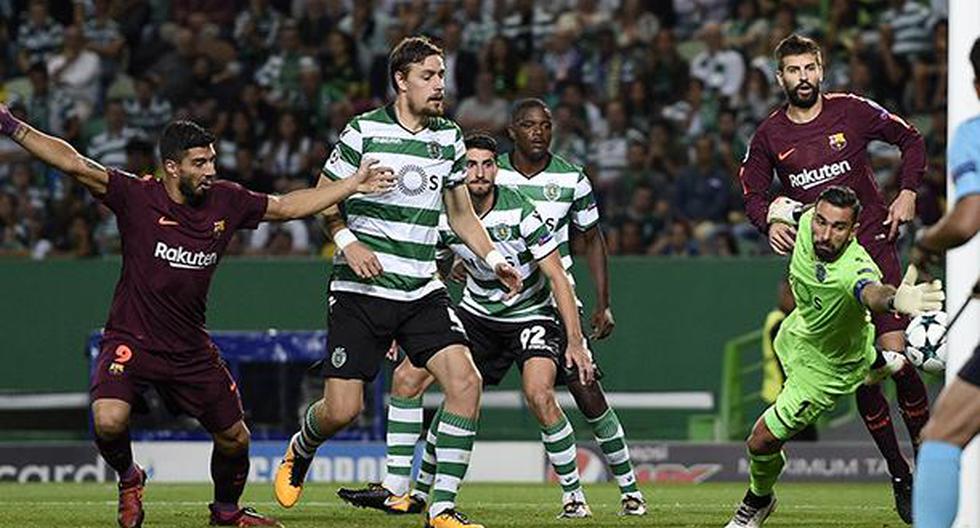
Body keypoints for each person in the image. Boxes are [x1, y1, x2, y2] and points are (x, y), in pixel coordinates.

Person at [0, 104, 394, 528]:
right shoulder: (136, 197)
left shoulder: (227, 200)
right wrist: (8, 124)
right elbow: (74, 163)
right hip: (132, 338)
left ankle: (227, 513)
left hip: (189, 348)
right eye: (199, 162)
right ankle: (130, 478)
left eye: (212, 160)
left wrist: (352, 184)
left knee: (235, 438)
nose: (210, 170)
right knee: (108, 420)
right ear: (171, 167)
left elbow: (287, 207)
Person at [272, 37, 521, 528]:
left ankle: (443, 509)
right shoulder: (363, 131)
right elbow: (323, 198)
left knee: (465, 382)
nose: (439, 86)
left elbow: (461, 214)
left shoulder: (449, 138)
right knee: (342, 410)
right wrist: (349, 243)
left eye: (442, 76)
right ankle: (301, 447)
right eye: (429, 76)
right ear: (401, 80)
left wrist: (493, 258)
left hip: (420, 290)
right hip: (359, 292)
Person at [336, 133, 601, 518]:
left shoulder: (524, 212)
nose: (479, 172)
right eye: (471, 164)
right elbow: (428, 267)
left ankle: (574, 497)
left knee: (539, 394)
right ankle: (401, 489)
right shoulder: (444, 217)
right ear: (460, 171)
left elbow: (558, 277)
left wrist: (575, 342)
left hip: (530, 314)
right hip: (477, 315)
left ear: (498, 169)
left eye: (487, 164)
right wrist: (403, 322)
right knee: (408, 377)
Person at [739, 34, 929, 523]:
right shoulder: (768, 136)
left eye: (809, 68)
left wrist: (907, 192)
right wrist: (771, 221)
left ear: (821, 70)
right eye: (792, 70)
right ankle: (899, 472)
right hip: (826, 272)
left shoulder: (852, 111)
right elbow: (753, 192)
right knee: (866, 374)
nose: (802, 78)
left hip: (874, 249)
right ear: (779, 77)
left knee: (895, 362)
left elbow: (911, 139)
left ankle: (929, 459)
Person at [724, 186, 944, 528]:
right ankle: (880, 361)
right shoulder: (809, 219)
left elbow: (872, 292)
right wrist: (774, 221)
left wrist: (895, 301)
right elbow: (781, 206)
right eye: (822, 222)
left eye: (838, 227)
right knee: (864, 356)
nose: (825, 234)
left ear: (853, 231)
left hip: (826, 370)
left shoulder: (855, 268)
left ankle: (758, 499)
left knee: (761, 441)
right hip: (797, 334)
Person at [495, 98, 647, 514]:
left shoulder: (570, 178)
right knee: (458, 389)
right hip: (492, 307)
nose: (539, 132)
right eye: (529, 125)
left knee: (586, 392)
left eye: (545, 125)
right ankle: (416, 490)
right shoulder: (491, 173)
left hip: (551, 305)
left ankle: (631, 490)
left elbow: (591, 238)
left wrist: (603, 302)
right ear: (512, 130)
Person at [911, 36, 980, 528]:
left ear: (976, 85)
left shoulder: (974, 131)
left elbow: (967, 218)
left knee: (941, 436)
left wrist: (926, 243)